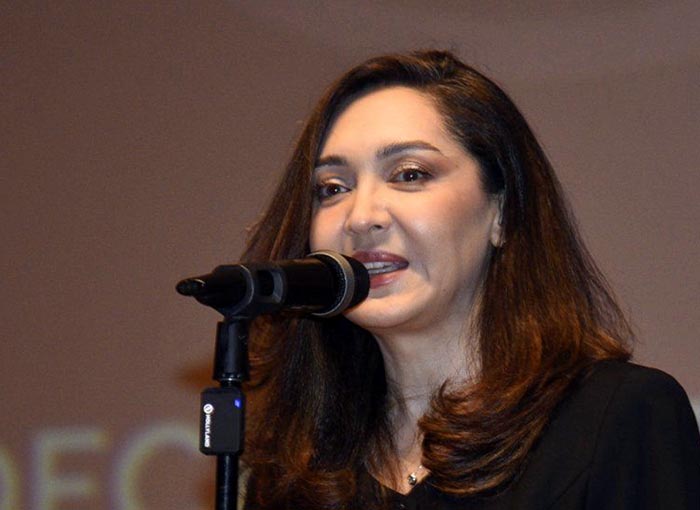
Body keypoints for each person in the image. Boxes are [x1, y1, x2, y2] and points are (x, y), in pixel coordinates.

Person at [239, 50, 700, 509]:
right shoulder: (295, 466)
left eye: (409, 175)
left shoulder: (617, 417)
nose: (361, 217)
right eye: (333, 188)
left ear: (502, 211)